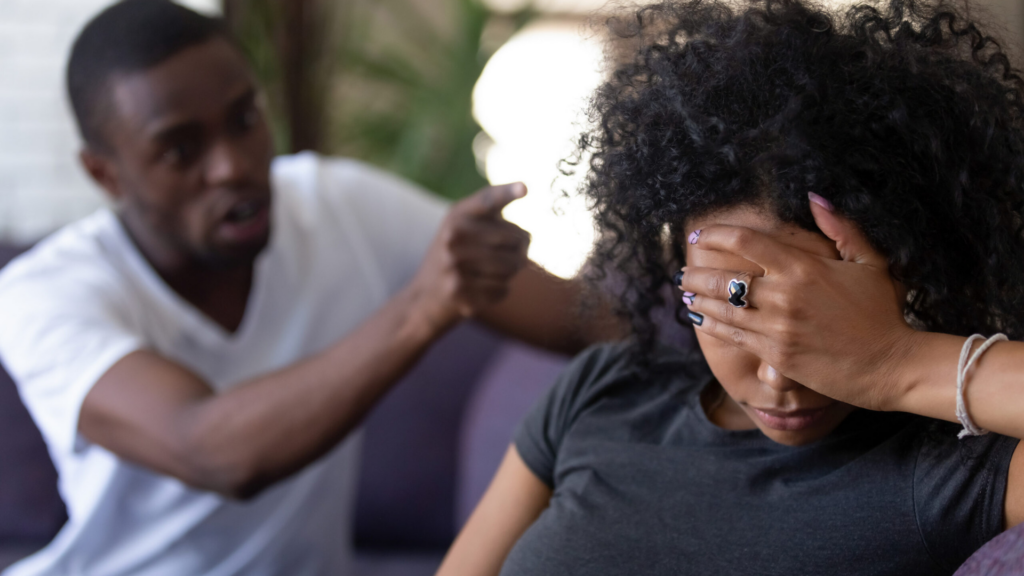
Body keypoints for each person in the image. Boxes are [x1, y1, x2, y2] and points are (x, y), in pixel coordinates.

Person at [0, 1, 620, 575]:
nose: (233, 165)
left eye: (244, 119)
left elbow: (587, 319)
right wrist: (423, 307)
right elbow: (209, 449)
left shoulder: (336, 206)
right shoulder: (41, 295)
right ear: (103, 173)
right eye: (181, 149)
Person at [437, 0, 1024, 574]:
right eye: (733, 303)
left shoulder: (953, 471)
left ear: (909, 268)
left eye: (813, 308)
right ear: (678, 267)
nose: (778, 375)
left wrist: (893, 363)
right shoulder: (604, 392)